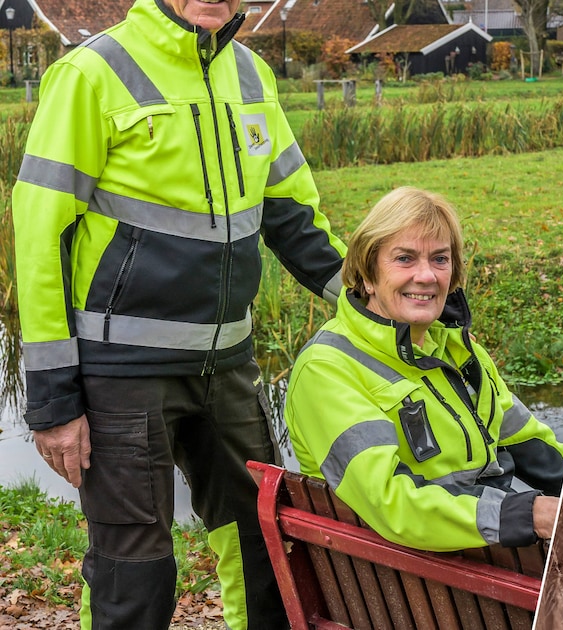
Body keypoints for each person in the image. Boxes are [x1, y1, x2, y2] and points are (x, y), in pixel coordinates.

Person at [11, 0, 346, 628]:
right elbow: (40, 237)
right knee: (134, 572)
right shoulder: (92, 72)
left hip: (230, 366)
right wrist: (54, 400)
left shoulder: (251, 74)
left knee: (267, 548)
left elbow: (293, 217)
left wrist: (378, 302)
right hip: (122, 372)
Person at [284, 187, 563, 551]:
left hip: (477, 557)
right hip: (419, 569)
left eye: (440, 259)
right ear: (367, 274)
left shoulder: (460, 351)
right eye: (404, 258)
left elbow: (530, 445)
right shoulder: (326, 369)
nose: (426, 275)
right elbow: (392, 501)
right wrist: (528, 514)